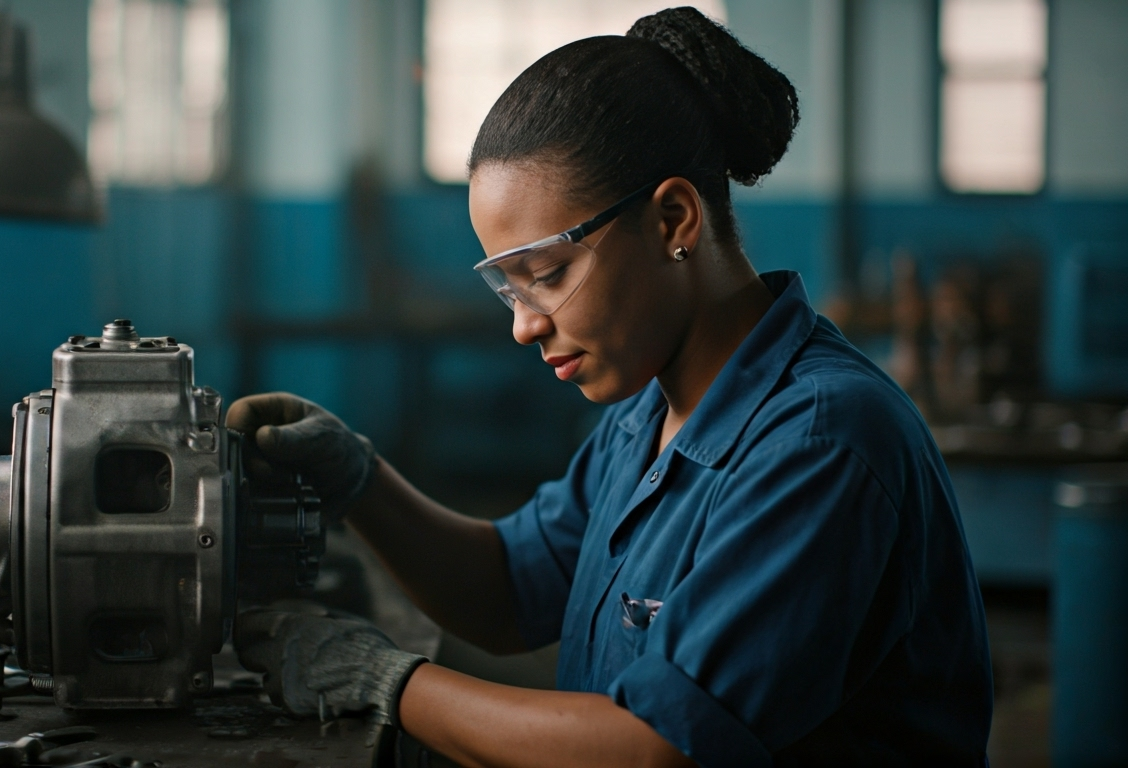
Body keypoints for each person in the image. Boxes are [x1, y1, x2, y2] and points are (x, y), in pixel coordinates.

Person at [229, 8, 993, 767]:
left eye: (549, 276)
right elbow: (509, 590)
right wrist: (359, 480)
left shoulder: (822, 441)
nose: (525, 326)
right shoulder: (649, 412)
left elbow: (655, 748)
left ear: (672, 220)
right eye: (510, 289)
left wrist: (386, 685)